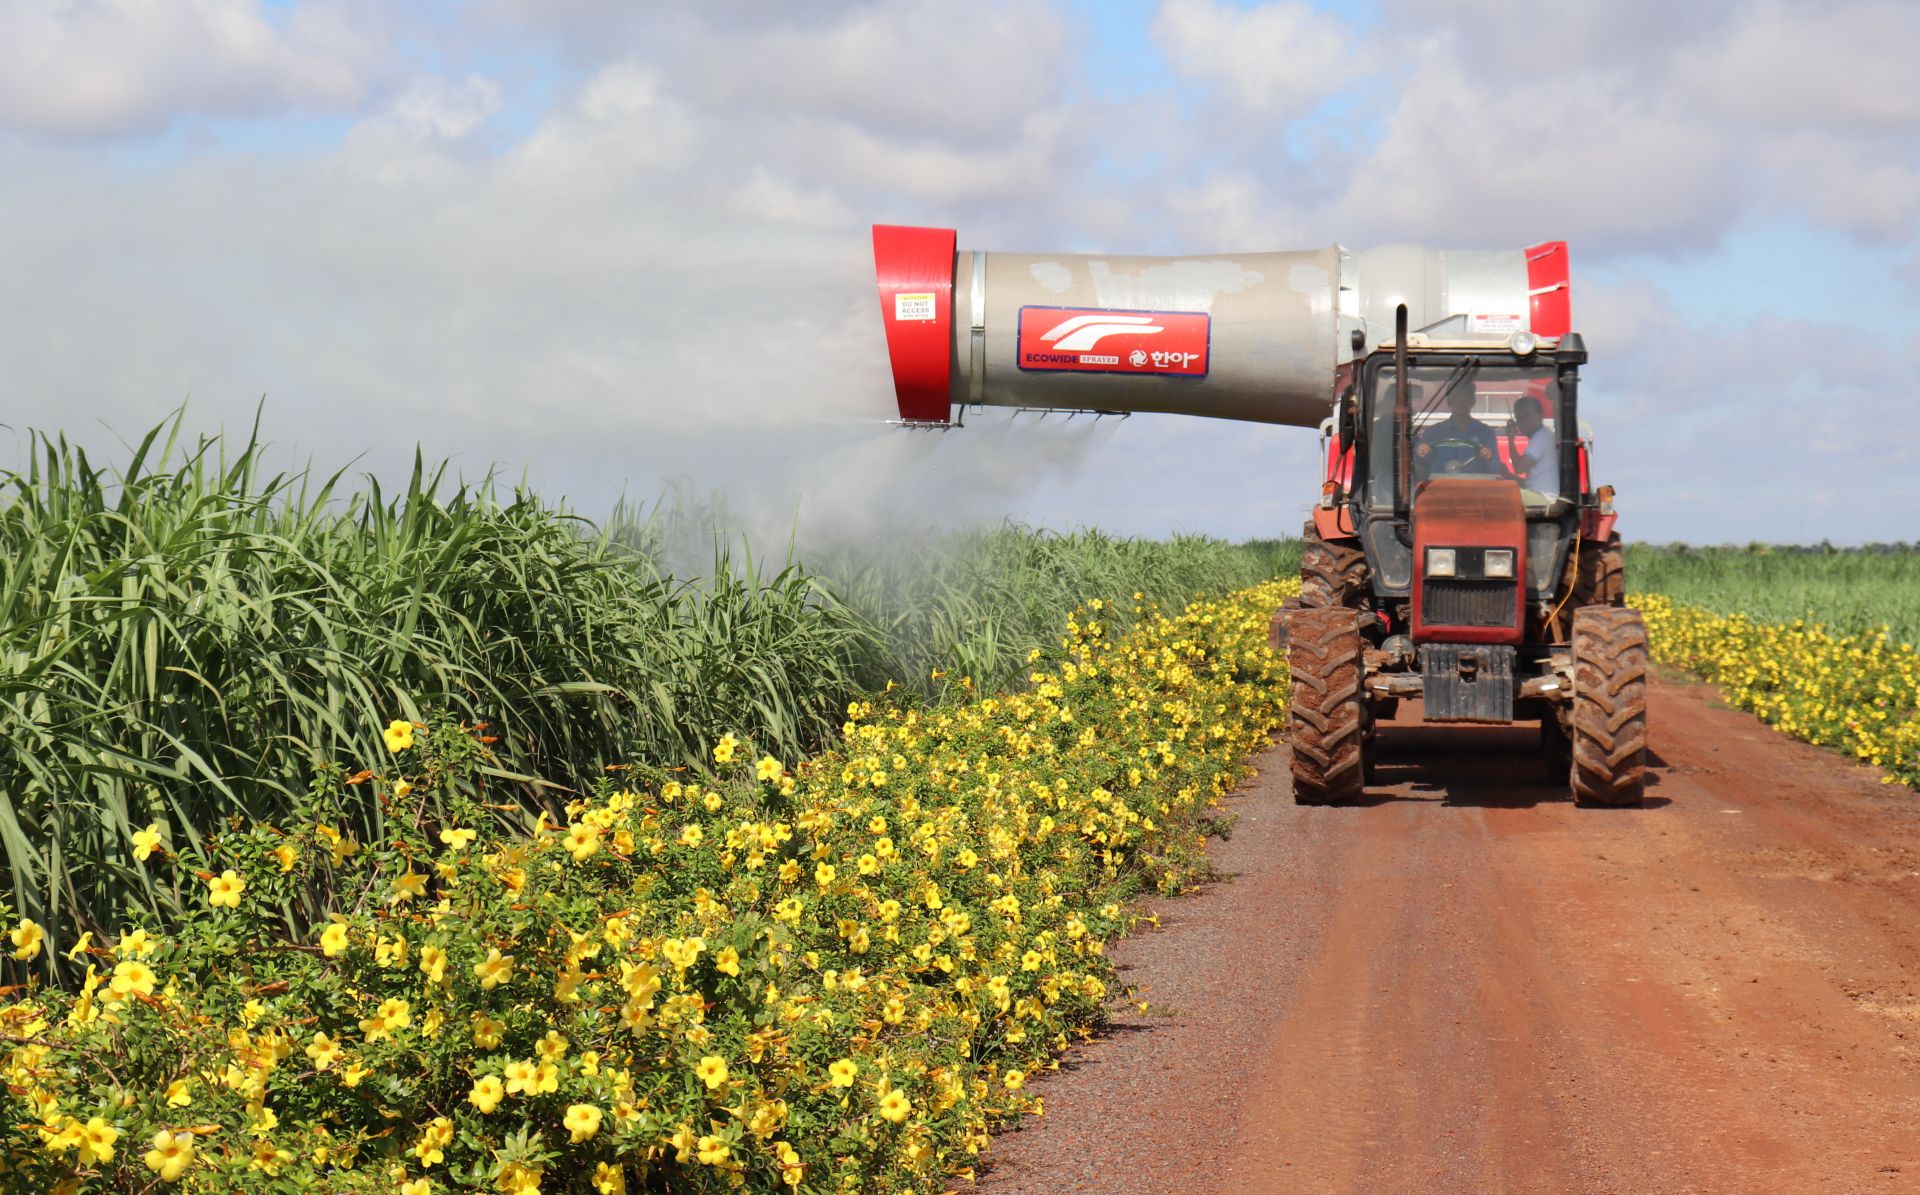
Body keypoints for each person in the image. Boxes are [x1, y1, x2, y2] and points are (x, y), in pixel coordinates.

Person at [1414, 385, 1500, 480]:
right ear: (1449, 402)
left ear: (1473, 401)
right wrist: (1420, 452)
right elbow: (1419, 469)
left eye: (1465, 398)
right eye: (1456, 398)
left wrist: (1488, 456)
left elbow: (1496, 468)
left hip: (1475, 487)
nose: (1460, 402)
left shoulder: (1486, 433)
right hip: (1438, 487)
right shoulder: (1433, 433)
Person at [1506, 395, 1560, 496]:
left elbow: (1519, 467)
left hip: (1544, 499)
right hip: (1541, 495)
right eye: (1519, 418)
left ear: (1540, 416)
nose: (1522, 422)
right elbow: (1528, 482)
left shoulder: (1541, 437)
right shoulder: (1543, 436)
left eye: (1527, 416)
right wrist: (1507, 475)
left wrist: (1511, 440)